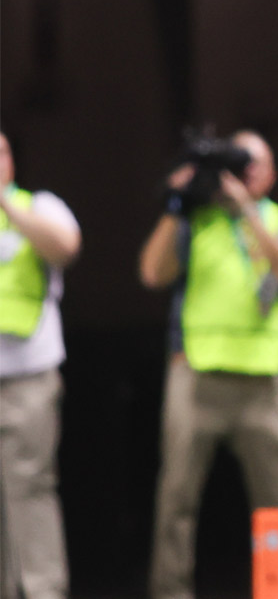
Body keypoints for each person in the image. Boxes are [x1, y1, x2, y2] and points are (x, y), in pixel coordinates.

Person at [138, 130, 278, 599]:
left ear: (272, 175)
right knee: (177, 495)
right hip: (198, 375)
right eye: (240, 161)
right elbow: (152, 273)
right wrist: (178, 201)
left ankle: (275, 588)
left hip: (261, 380)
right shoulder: (198, 221)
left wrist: (245, 209)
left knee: (275, 498)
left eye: (258, 162)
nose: (249, 169)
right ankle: (171, 590)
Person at [0, 132, 81, 599]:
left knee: (30, 487)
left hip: (29, 375)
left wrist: (9, 207)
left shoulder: (40, 206)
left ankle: (42, 590)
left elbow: (65, 248)